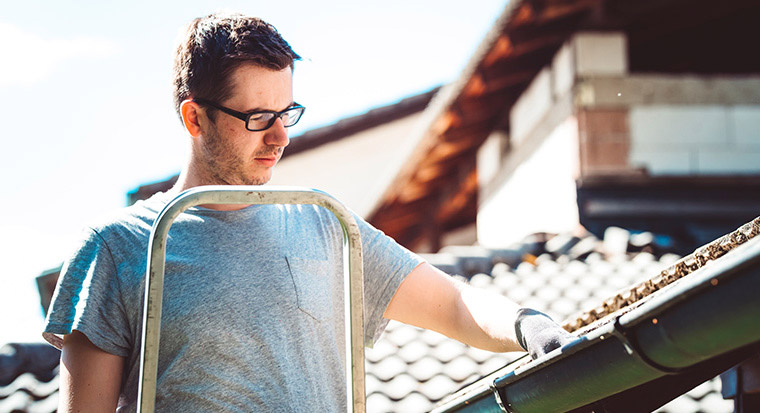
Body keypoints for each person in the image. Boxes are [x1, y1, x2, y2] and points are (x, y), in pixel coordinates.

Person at [43, 12, 573, 412]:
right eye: (257, 118)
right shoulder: (120, 248)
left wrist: (529, 326)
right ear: (194, 117)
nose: (280, 136)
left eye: (287, 112)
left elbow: (453, 304)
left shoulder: (325, 226)